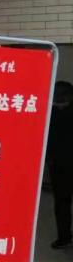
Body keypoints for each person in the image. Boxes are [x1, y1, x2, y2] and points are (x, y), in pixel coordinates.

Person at [46, 81, 73, 249]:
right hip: (59, 165)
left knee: (62, 202)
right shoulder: (52, 112)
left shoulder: (53, 113)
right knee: (62, 203)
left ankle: (65, 237)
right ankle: (64, 237)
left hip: (62, 164)